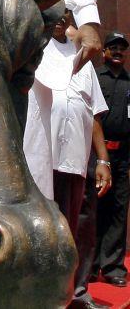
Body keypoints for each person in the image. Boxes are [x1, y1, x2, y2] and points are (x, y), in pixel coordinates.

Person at [47, 10, 112, 309]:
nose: (61, 21)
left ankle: (77, 293)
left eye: (66, 15)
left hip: (77, 161)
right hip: (44, 161)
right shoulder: (38, 53)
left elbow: (94, 112)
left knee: (77, 231)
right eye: (54, 15)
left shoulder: (84, 61)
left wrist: (103, 160)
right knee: (47, 233)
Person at [93, 32, 130, 287]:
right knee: (95, 210)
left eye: (122, 48)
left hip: (123, 155)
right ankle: (91, 264)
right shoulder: (94, 77)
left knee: (119, 210)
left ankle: (113, 266)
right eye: (113, 47)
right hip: (96, 155)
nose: (118, 52)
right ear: (104, 51)